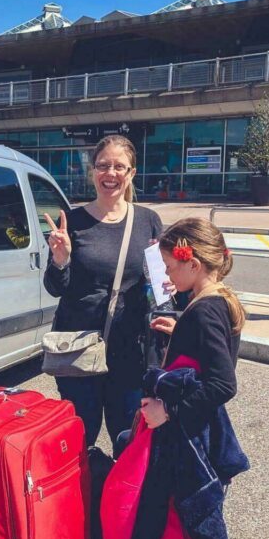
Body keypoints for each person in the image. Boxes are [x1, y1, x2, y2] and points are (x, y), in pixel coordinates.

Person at [134, 217, 250, 539]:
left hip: (192, 440)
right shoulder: (212, 301)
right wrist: (178, 325)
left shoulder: (205, 311)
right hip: (199, 436)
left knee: (198, 531)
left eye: (169, 265)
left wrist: (169, 413)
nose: (165, 276)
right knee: (187, 525)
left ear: (192, 260)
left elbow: (223, 383)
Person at [43, 134, 163, 449]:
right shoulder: (73, 221)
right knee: (79, 444)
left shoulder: (148, 221)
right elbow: (55, 287)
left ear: (132, 173)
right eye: (103, 165)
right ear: (93, 171)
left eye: (119, 167)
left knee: (129, 441)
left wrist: (169, 284)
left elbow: (161, 291)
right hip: (78, 354)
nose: (110, 173)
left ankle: (120, 499)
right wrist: (60, 259)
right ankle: (84, 498)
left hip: (129, 354)